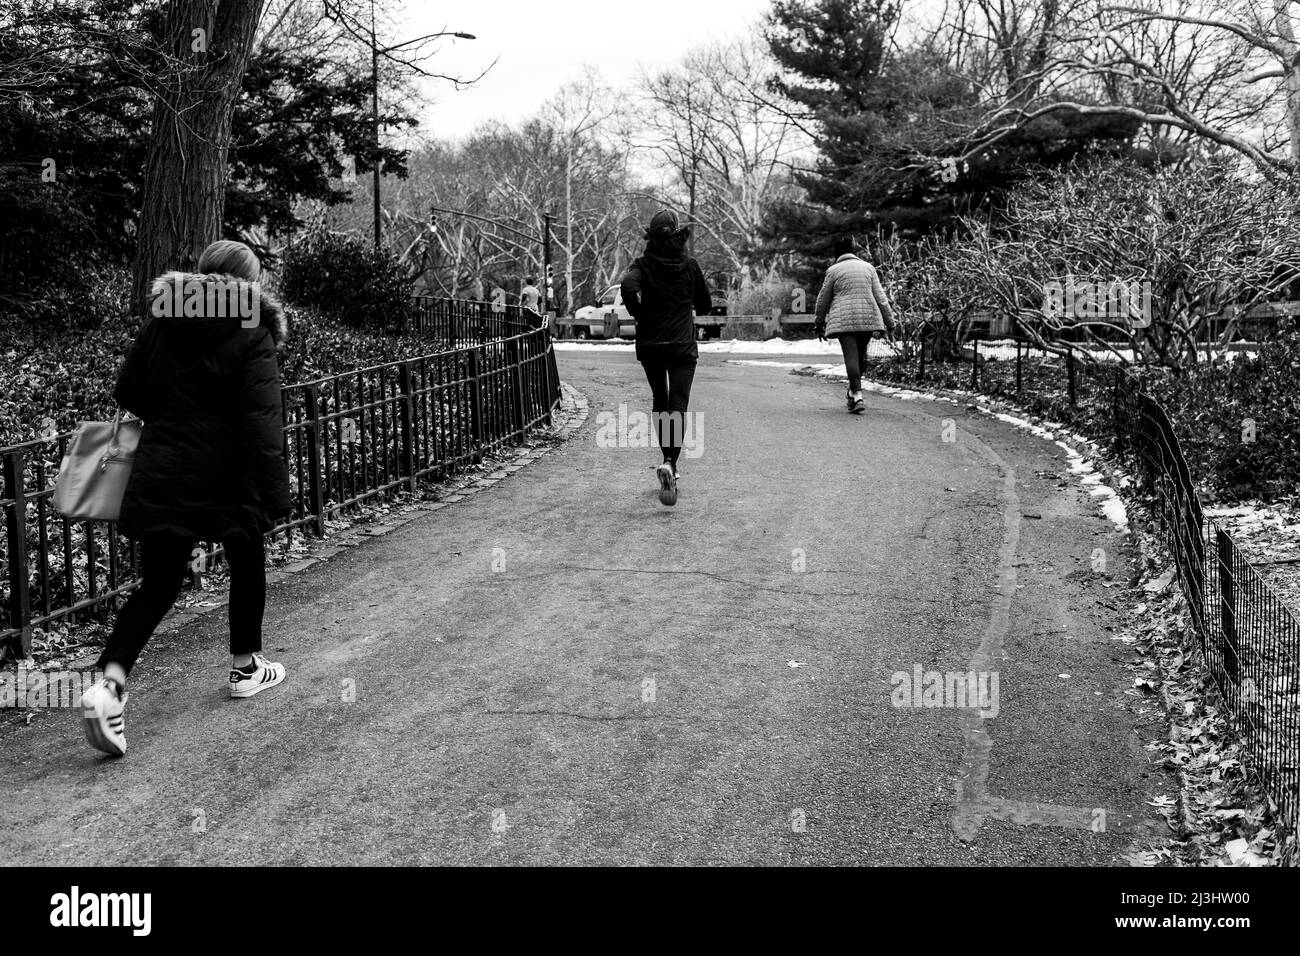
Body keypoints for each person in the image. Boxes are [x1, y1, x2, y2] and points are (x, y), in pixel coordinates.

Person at [79, 240, 292, 758]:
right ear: (247, 282)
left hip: (167, 465)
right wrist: (275, 492)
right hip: (228, 470)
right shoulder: (252, 327)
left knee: (159, 584)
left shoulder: (165, 321)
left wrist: (177, 408)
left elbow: (129, 388)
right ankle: (246, 668)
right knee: (245, 556)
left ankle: (108, 684)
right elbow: (262, 418)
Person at [621, 209, 711, 506]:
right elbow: (706, 305)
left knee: (660, 400)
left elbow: (627, 286)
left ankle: (667, 460)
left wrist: (640, 313)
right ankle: (670, 461)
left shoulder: (642, 265)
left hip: (651, 344)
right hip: (682, 345)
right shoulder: (690, 265)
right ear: (676, 233)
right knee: (678, 404)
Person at [814, 237, 895, 415]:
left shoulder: (833, 271)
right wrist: (890, 321)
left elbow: (823, 299)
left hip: (843, 320)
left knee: (851, 356)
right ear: (853, 252)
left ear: (837, 254)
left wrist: (819, 322)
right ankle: (853, 391)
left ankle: (857, 394)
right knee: (860, 356)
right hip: (867, 318)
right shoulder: (868, 268)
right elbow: (881, 297)